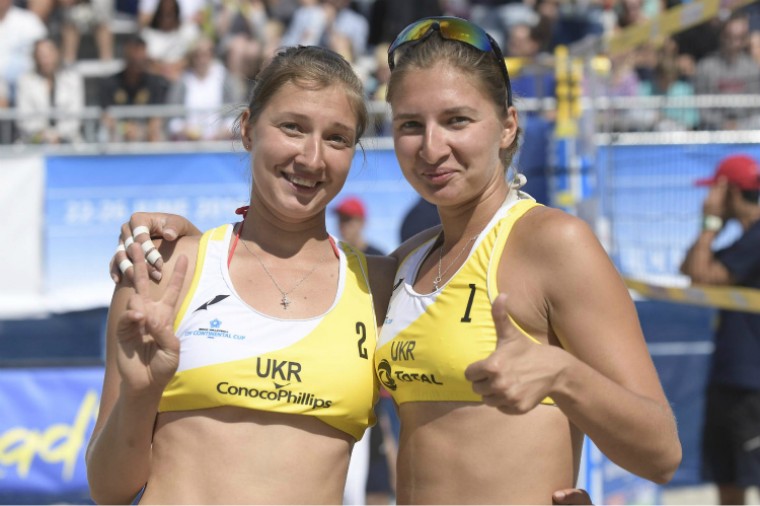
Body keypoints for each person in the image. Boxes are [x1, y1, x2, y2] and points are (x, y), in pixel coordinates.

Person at [110, 17, 669, 503]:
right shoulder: (400, 269)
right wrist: (185, 239)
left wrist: (564, 375)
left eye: (457, 120)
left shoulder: (553, 242)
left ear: (507, 126)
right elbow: (274, 265)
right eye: (410, 125)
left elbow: (661, 451)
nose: (431, 147)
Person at [87, 45, 397, 504]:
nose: (312, 157)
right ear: (248, 129)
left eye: (337, 138)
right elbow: (109, 489)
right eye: (292, 127)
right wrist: (140, 395)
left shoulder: (383, 288)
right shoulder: (167, 267)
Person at [680, 154, 760, 506]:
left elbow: (703, 276)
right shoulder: (746, 240)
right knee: (728, 483)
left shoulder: (757, 238)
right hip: (733, 381)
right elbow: (690, 267)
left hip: (751, 387)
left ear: (728, 190)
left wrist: (710, 221)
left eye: (714, 190)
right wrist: (708, 228)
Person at [99, 34, 170, 142]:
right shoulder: (109, 83)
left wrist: (140, 131)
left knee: (157, 135)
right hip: (119, 134)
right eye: (134, 57)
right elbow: (106, 118)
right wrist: (124, 129)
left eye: (141, 56)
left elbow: (157, 120)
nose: (138, 59)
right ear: (126, 56)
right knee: (106, 135)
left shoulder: (156, 84)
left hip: (146, 133)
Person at [15, 38, 85, 144]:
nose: (46, 59)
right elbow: (24, 118)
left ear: (57, 53)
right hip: (34, 141)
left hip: (69, 141)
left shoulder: (73, 79)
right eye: (41, 55)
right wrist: (45, 135)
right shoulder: (25, 81)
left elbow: (75, 116)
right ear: (35, 57)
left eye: (49, 54)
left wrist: (58, 135)